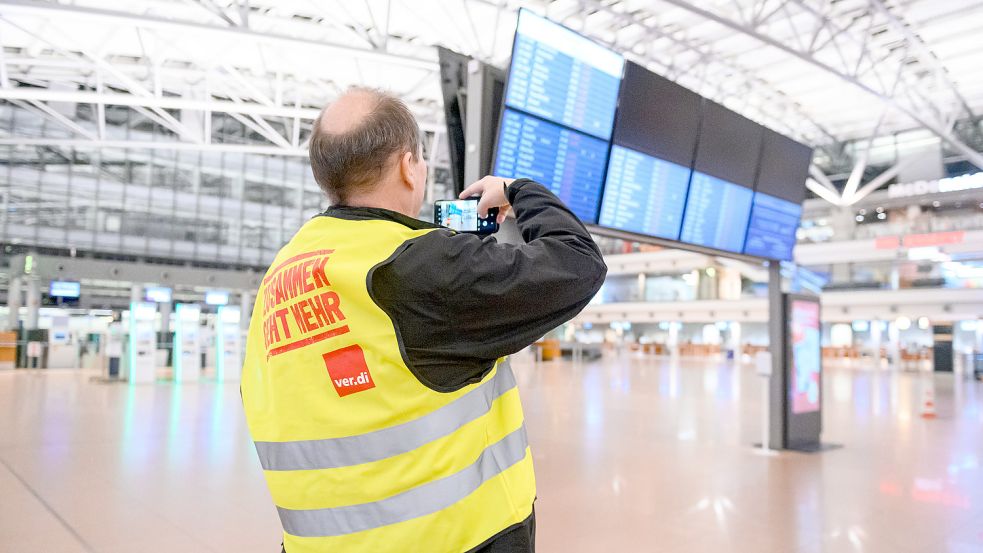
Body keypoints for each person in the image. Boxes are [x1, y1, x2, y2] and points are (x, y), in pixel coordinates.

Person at [240, 86, 606, 553]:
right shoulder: (417, 267)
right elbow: (577, 263)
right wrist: (518, 191)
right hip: (455, 540)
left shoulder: (281, 274)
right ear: (406, 167)